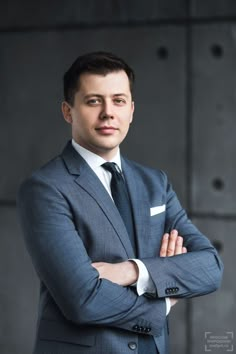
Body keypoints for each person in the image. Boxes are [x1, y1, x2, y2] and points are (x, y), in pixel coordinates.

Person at [17, 51, 223, 354]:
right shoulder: (45, 188)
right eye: (93, 101)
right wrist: (164, 299)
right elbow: (82, 298)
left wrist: (133, 271)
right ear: (67, 111)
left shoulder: (155, 183)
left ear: (131, 110)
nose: (108, 113)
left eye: (118, 100)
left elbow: (210, 267)